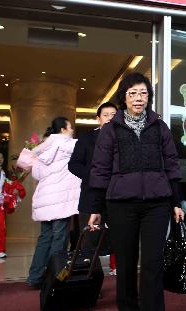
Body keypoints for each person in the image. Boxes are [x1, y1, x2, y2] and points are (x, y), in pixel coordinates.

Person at [89, 72, 184, 311]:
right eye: (133, 93)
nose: (138, 98)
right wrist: (96, 207)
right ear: (124, 97)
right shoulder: (110, 129)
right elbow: (100, 169)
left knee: (153, 263)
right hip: (121, 204)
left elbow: (172, 164)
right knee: (126, 263)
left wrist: (176, 201)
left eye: (143, 93)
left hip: (157, 204)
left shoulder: (160, 127)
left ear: (148, 97)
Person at [18, 117, 81, 288]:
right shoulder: (68, 144)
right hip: (60, 200)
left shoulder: (41, 149)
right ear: (62, 130)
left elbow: (37, 175)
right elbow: (88, 150)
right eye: (70, 127)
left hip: (44, 199)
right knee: (60, 239)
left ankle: (35, 277)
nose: (72, 130)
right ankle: (53, 279)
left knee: (45, 238)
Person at [68, 102, 118, 275]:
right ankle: (91, 278)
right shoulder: (86, 139)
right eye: (106, 115)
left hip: (117, 195)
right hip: (91, 194)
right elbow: (73, 164)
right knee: (89, 239)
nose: (110, 118)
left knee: (120, 235)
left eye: (114, 114)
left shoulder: (125, 139)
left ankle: (117, 268)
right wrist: (93, 177)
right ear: (98, 119)